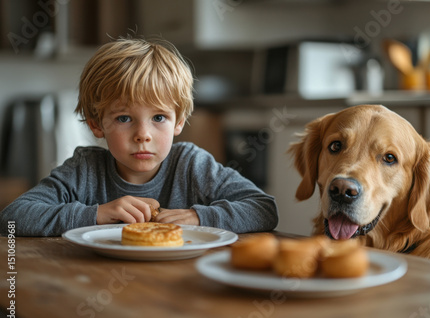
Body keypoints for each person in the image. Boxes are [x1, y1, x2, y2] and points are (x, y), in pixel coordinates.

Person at [0, 38, 279, 236]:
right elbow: (12, 218)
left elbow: (264, 209)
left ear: (178, 122)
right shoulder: (84, 170)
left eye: (159, 118)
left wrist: (199, 217)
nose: (143, 135)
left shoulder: (192, 166)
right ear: (97, 125)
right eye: (124, 118)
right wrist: (96, 214)